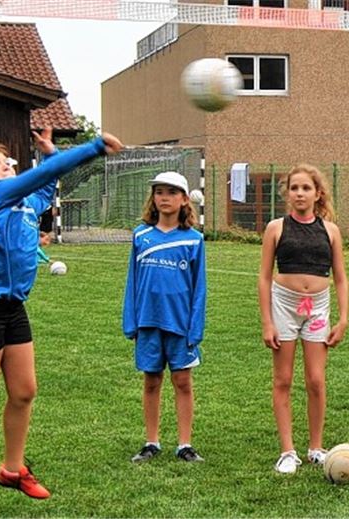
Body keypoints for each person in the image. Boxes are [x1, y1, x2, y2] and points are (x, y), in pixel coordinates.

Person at [0, 129, 123, 499]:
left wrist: (49, 152)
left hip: (12, 306)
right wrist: (94, 147)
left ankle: (12, 470)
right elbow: (43, 177)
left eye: (8, 163)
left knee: (24, 391)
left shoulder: (27, 203)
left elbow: (47, 184)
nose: (5, 168)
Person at [258, 164, 348, 474]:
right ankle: (287, 451)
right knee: (283, 380)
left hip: (318, 308)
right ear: (287, 193)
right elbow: (264, 277)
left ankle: (315, 448)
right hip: (284, 305)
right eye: (294, 188)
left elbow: (340, 278)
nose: (299, 193)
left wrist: (343, 318)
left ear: (317, 193)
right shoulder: (276, 228)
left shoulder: (331, 230)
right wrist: (267, 321)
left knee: (316, 380)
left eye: (306, 188)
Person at [122, 171, 207, 464]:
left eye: (172, 192)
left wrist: (195, 327)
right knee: (151, 380)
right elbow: (132, 282)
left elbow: (200, 288)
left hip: (180, 324)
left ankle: (185, 444)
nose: (165, 198)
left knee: (182, 381)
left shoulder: (194, 240)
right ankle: (151, 442)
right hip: (148, 321)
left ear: (184, 199)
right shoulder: (140, 236)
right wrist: (130, 320)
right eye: (159, 192)